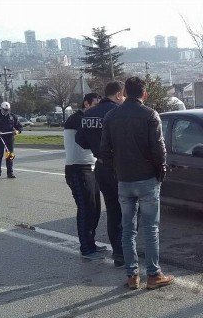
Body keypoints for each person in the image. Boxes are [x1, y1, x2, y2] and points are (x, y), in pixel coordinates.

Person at [100, 76, 173, 290]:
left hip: (124, 179)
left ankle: (132, 275)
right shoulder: (150, 114)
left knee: (127, 228)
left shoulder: (111, 116)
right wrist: (161, 170)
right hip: (147, 178)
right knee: (150, 228)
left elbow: (104, 150)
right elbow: (159, 148)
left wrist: (117, 169)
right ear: (144, 94)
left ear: (124, 93)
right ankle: (153, 274)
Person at [76, 82, 124, 267]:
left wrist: (97, 147)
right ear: (119, 94)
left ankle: (118, 252)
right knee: (128, 210)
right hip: (119, 167)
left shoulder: (88, 114)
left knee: (112, 210)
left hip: (101, 167)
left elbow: (80, 140)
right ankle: (125, 250)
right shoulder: (117, 112)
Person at [64, 93, 107, 260]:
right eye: (94, 104)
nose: (96, 108)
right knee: (85, 209)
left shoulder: (86, 118)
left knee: (95, 208)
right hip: (77, 168)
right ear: (86, 104)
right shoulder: (77, 118)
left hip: (90, 167)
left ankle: (91, 242)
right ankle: (85, 248)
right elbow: (88, 138)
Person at [0, 101, 22, 179]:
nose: (6, 112)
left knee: (9, 155)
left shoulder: (13, 117)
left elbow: (19, 127)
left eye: (8, 110)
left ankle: (10, 172)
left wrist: (17, 131)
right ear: (1, 108)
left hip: (9, 138)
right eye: (5, 110)